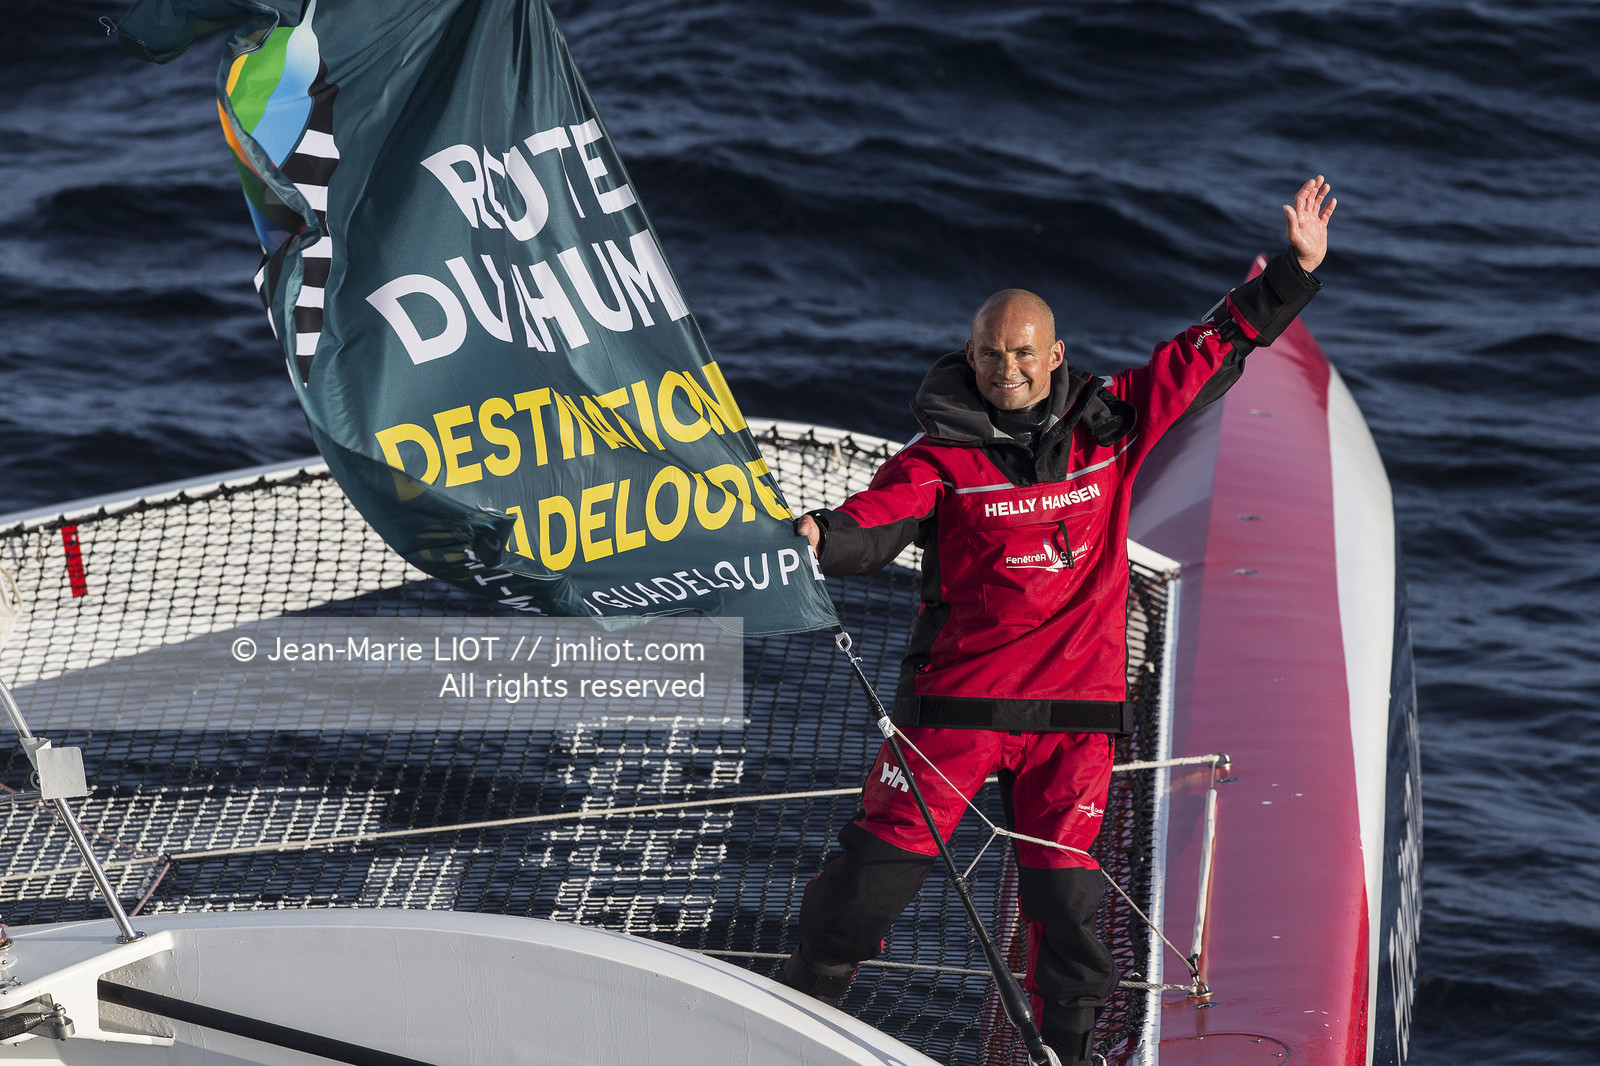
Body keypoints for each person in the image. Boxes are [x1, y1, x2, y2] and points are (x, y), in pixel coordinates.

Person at [779, 178, 1336, 1065]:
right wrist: (824, 536)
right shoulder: (941, 458)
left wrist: (1295, 273)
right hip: (956, 712)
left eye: (1025, 356)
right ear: (970, 357)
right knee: (867, 885)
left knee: (1068, 916)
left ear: (1055, 356)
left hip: (1072, 723)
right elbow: (877, 517)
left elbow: (1205, 352)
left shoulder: (1110, 422)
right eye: (992, 357)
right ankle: (788, 1019)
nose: (1008, 373)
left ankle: (1066, 1059)